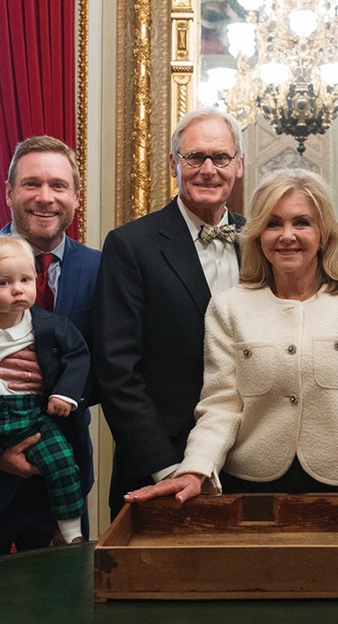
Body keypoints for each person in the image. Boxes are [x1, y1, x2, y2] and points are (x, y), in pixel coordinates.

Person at [125, 169, 338, 504]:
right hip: (249, 489)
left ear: (323, 232)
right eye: (273, 224)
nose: (286, 235)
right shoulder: (228, 306)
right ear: (258, 233)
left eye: (302, 222)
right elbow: (221, 407)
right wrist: (195, 468)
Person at [0, 136, 99, 558]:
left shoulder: (102, 268)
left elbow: (112, 362)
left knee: (65, 609)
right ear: (9, 191)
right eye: (31, 184)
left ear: (74, 195)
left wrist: (60, 386)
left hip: (61, 473)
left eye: (58, 185)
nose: (45, 197)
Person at [94, 108, 246, 516]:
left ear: (239, 166)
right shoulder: (131, 245)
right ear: (173, 165)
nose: (208, 169)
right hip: (162, 467)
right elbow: (116, 369)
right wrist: (165, 467)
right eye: (195, 157)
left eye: (221, 157)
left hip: (253, 462)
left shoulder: (262, 241)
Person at [0, 237, 90, 565]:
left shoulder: (49, 325)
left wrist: (64, 394)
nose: (18, 290)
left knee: (62, 463)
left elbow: (78, 355)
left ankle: (71, 532)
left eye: (25, 280)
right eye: (5, 282)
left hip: (33, 415)